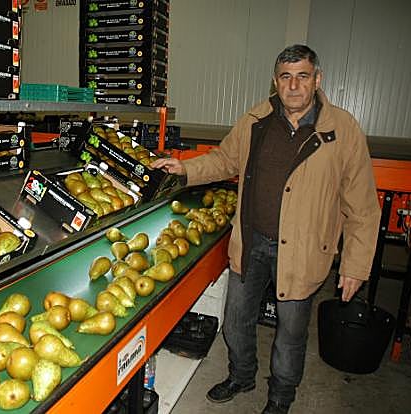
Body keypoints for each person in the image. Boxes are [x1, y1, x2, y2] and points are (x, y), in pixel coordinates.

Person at [151, 44, 381, 414]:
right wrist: (186, 169)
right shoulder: (256, 120)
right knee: (236, 321)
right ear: (275, 82)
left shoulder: (342, 130)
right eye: (286, 77)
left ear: (317, 80)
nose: (294, 85)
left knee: (289, 334)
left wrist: (355, 266)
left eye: (302, 76)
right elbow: (226, 160)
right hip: (252, 240)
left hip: (303, 251)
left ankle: (280, 397)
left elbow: (363, 206)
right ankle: (241, 376)